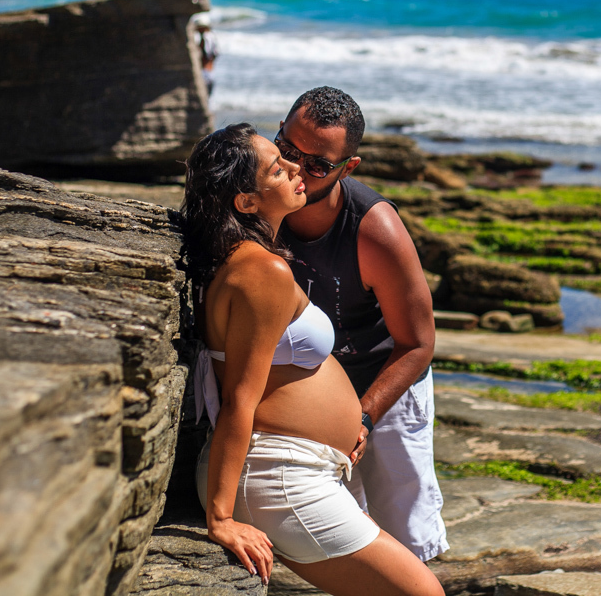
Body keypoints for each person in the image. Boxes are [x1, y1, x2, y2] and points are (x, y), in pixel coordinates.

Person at [182, 123, 443, 596]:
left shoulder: (244, 258)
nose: (296, 169)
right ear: (246, 201)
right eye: (280, 165)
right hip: (276, 475)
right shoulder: (264, 270)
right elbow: (241, 397)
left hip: (288, 471)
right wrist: (220, 518)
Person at [274, 87, 448, 562]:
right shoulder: (257, 204)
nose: (296, 170)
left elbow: (417, 343)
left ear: (347, 167)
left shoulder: (375, 231)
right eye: (287, 150)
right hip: (310, 385)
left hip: (386, 381)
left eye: (317, 164)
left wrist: (364, 417)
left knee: (407, 533)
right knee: (338, 531)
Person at [194, 13, 218, 96]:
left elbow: (207, 53)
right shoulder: (212, 36)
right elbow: (215, 53)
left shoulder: (205, 37)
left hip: (205, 70)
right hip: (209, 70)